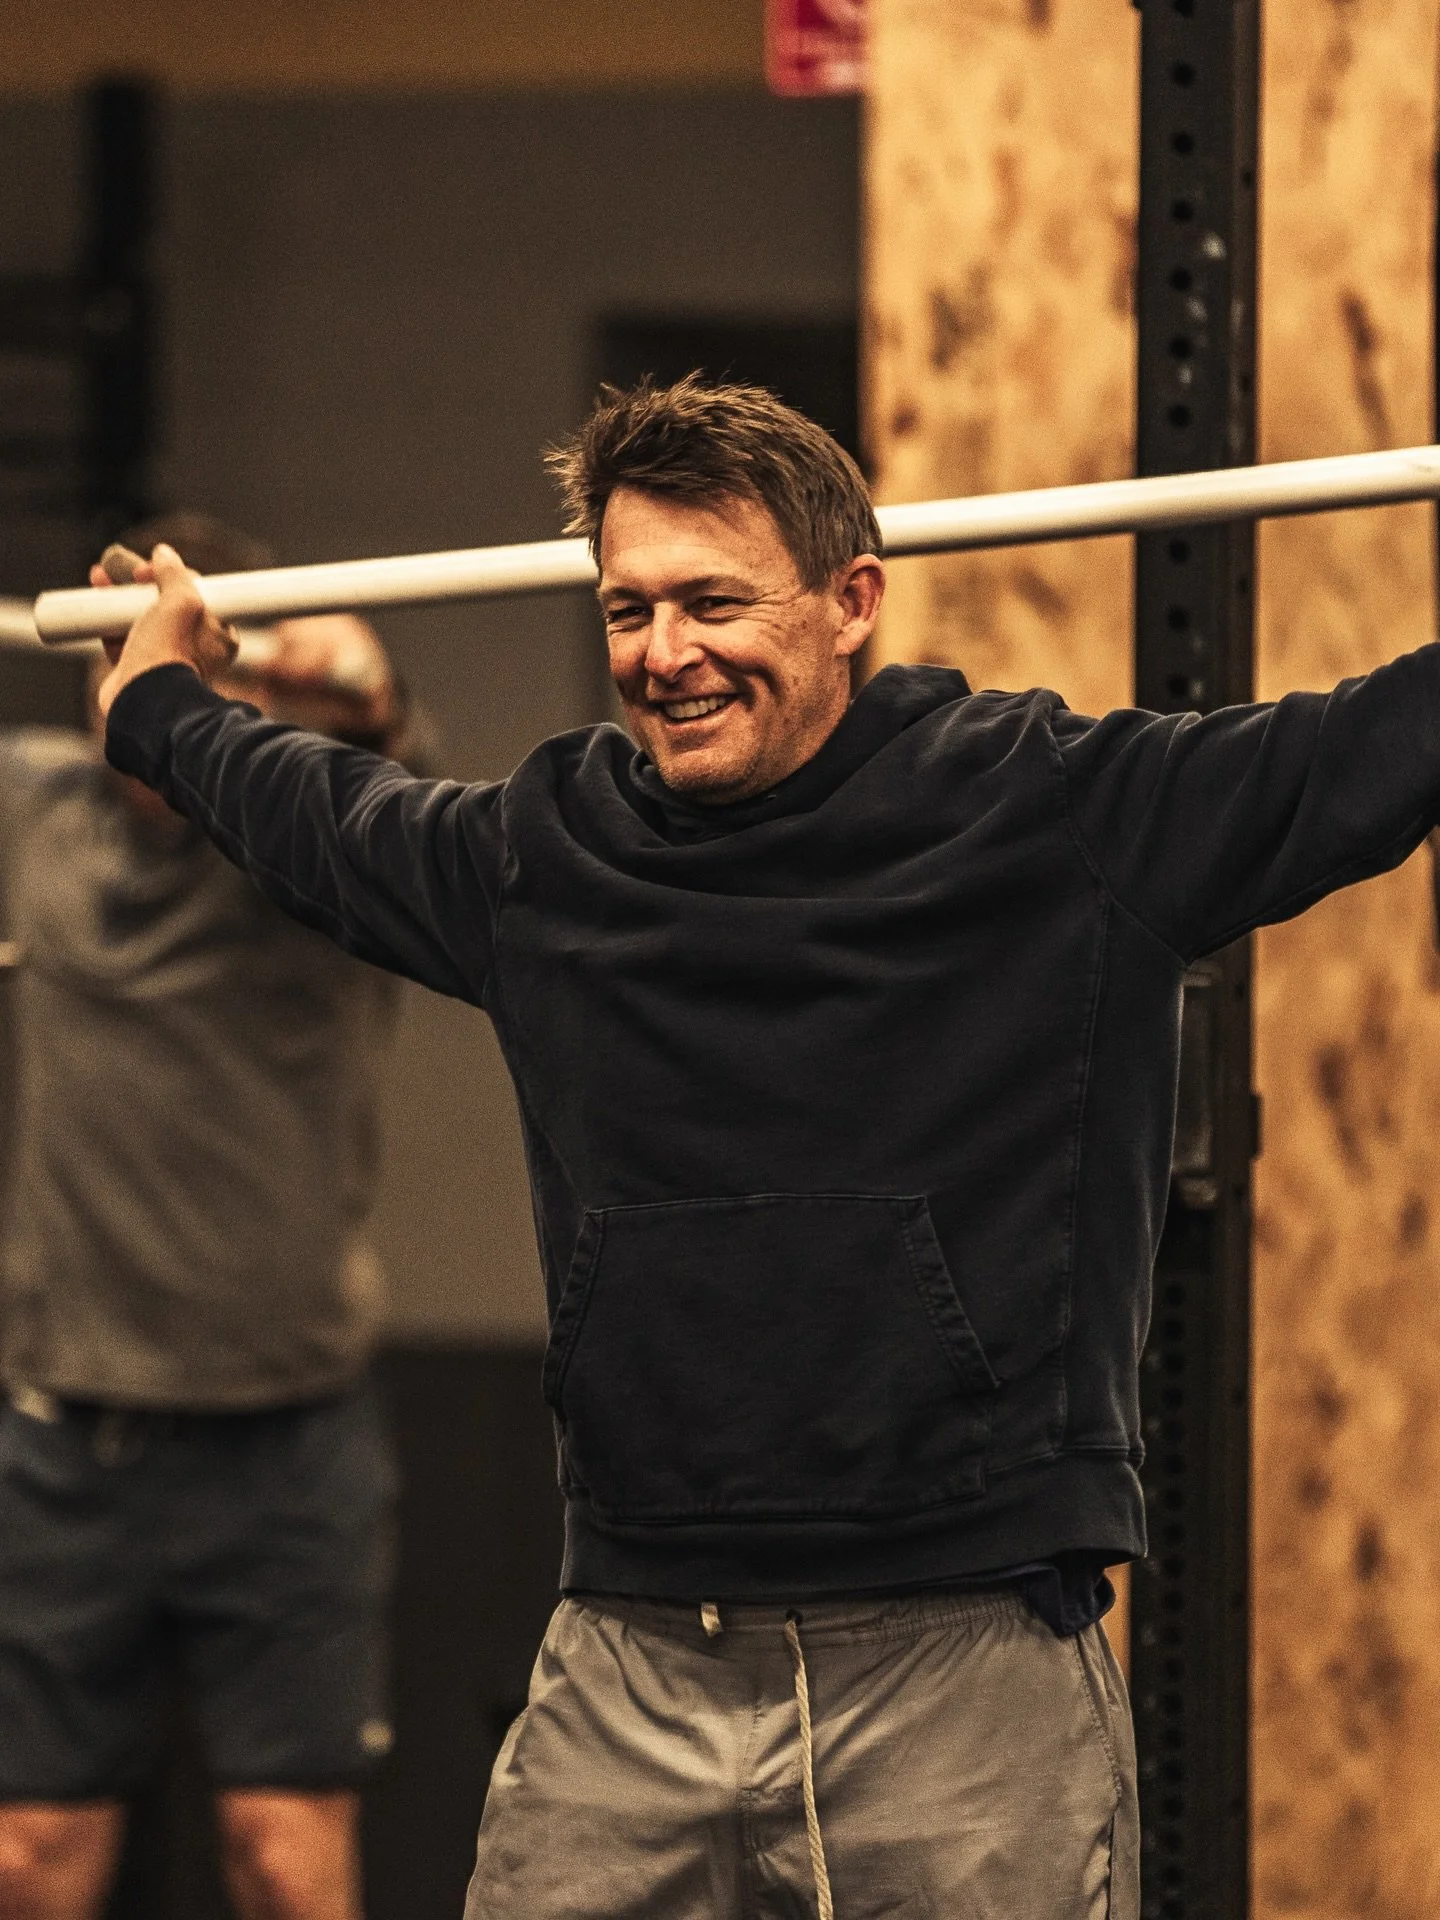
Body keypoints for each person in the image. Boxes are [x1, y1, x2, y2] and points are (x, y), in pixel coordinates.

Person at [86, 376, 1440, 1920]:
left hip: (963, 1673)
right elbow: (317, 815)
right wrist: (162, 701)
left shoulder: (1057, 816)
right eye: (630, 609)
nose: (665, 655)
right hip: (629, 1662)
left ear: (851, 602)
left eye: (714, 603)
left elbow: (1366, 754)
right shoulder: (547, 855)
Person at [0, 515, 420, 1920]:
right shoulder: (33, 810)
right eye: (117, 665)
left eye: (169, 669)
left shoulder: (314, 835)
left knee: (284, 1862)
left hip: (284, 1447)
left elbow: (385, 744)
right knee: (28, 1862)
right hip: (63, 1441)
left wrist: (351, 684)